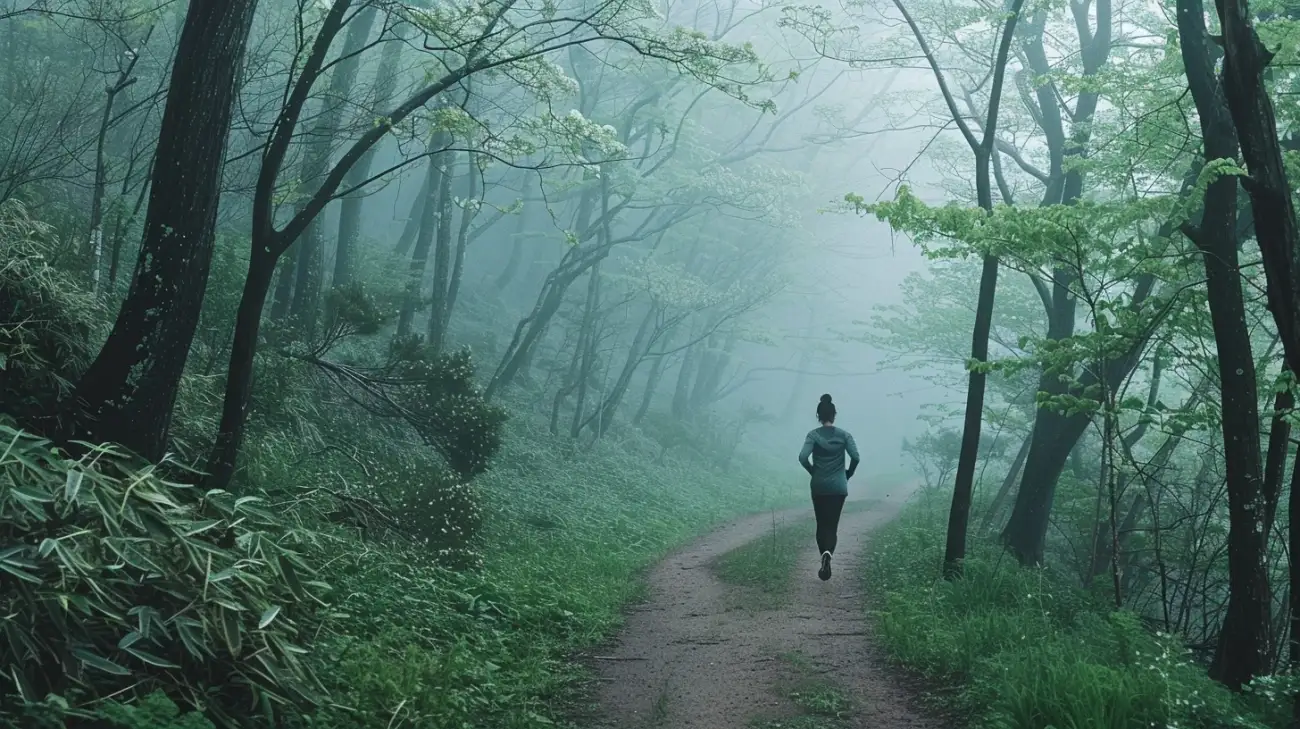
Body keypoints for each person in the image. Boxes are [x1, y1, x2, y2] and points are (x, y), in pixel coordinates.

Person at [798, 394, 860, 581]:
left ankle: (823, 555)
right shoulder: (844, 435)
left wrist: (813, 471)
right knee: (832, 526)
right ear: (834, 415)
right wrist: (848, 474)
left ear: (818, 415)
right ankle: (828, 554)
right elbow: (856, 457)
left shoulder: (813, 435)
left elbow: (802, 457)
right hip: (838, 487)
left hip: (819, 486)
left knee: (821, 524)